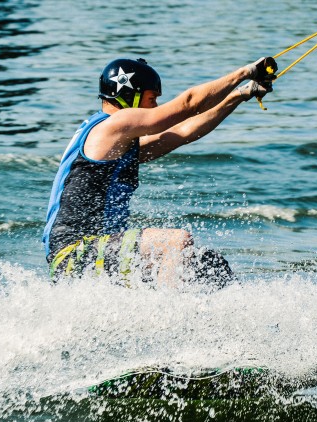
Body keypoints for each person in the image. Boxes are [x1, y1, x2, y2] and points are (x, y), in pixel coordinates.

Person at [42, 56, 277, 288]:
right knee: (176, 242)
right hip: (75, 256)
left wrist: (239, 96)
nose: (155, 106)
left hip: (99, 252)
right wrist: (246, 72)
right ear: (129, 95)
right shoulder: (113, 124)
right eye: (152, 98)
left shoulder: (114, 143)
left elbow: (182, 133)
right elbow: (189, 105)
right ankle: (168, 314)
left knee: (208, 263)